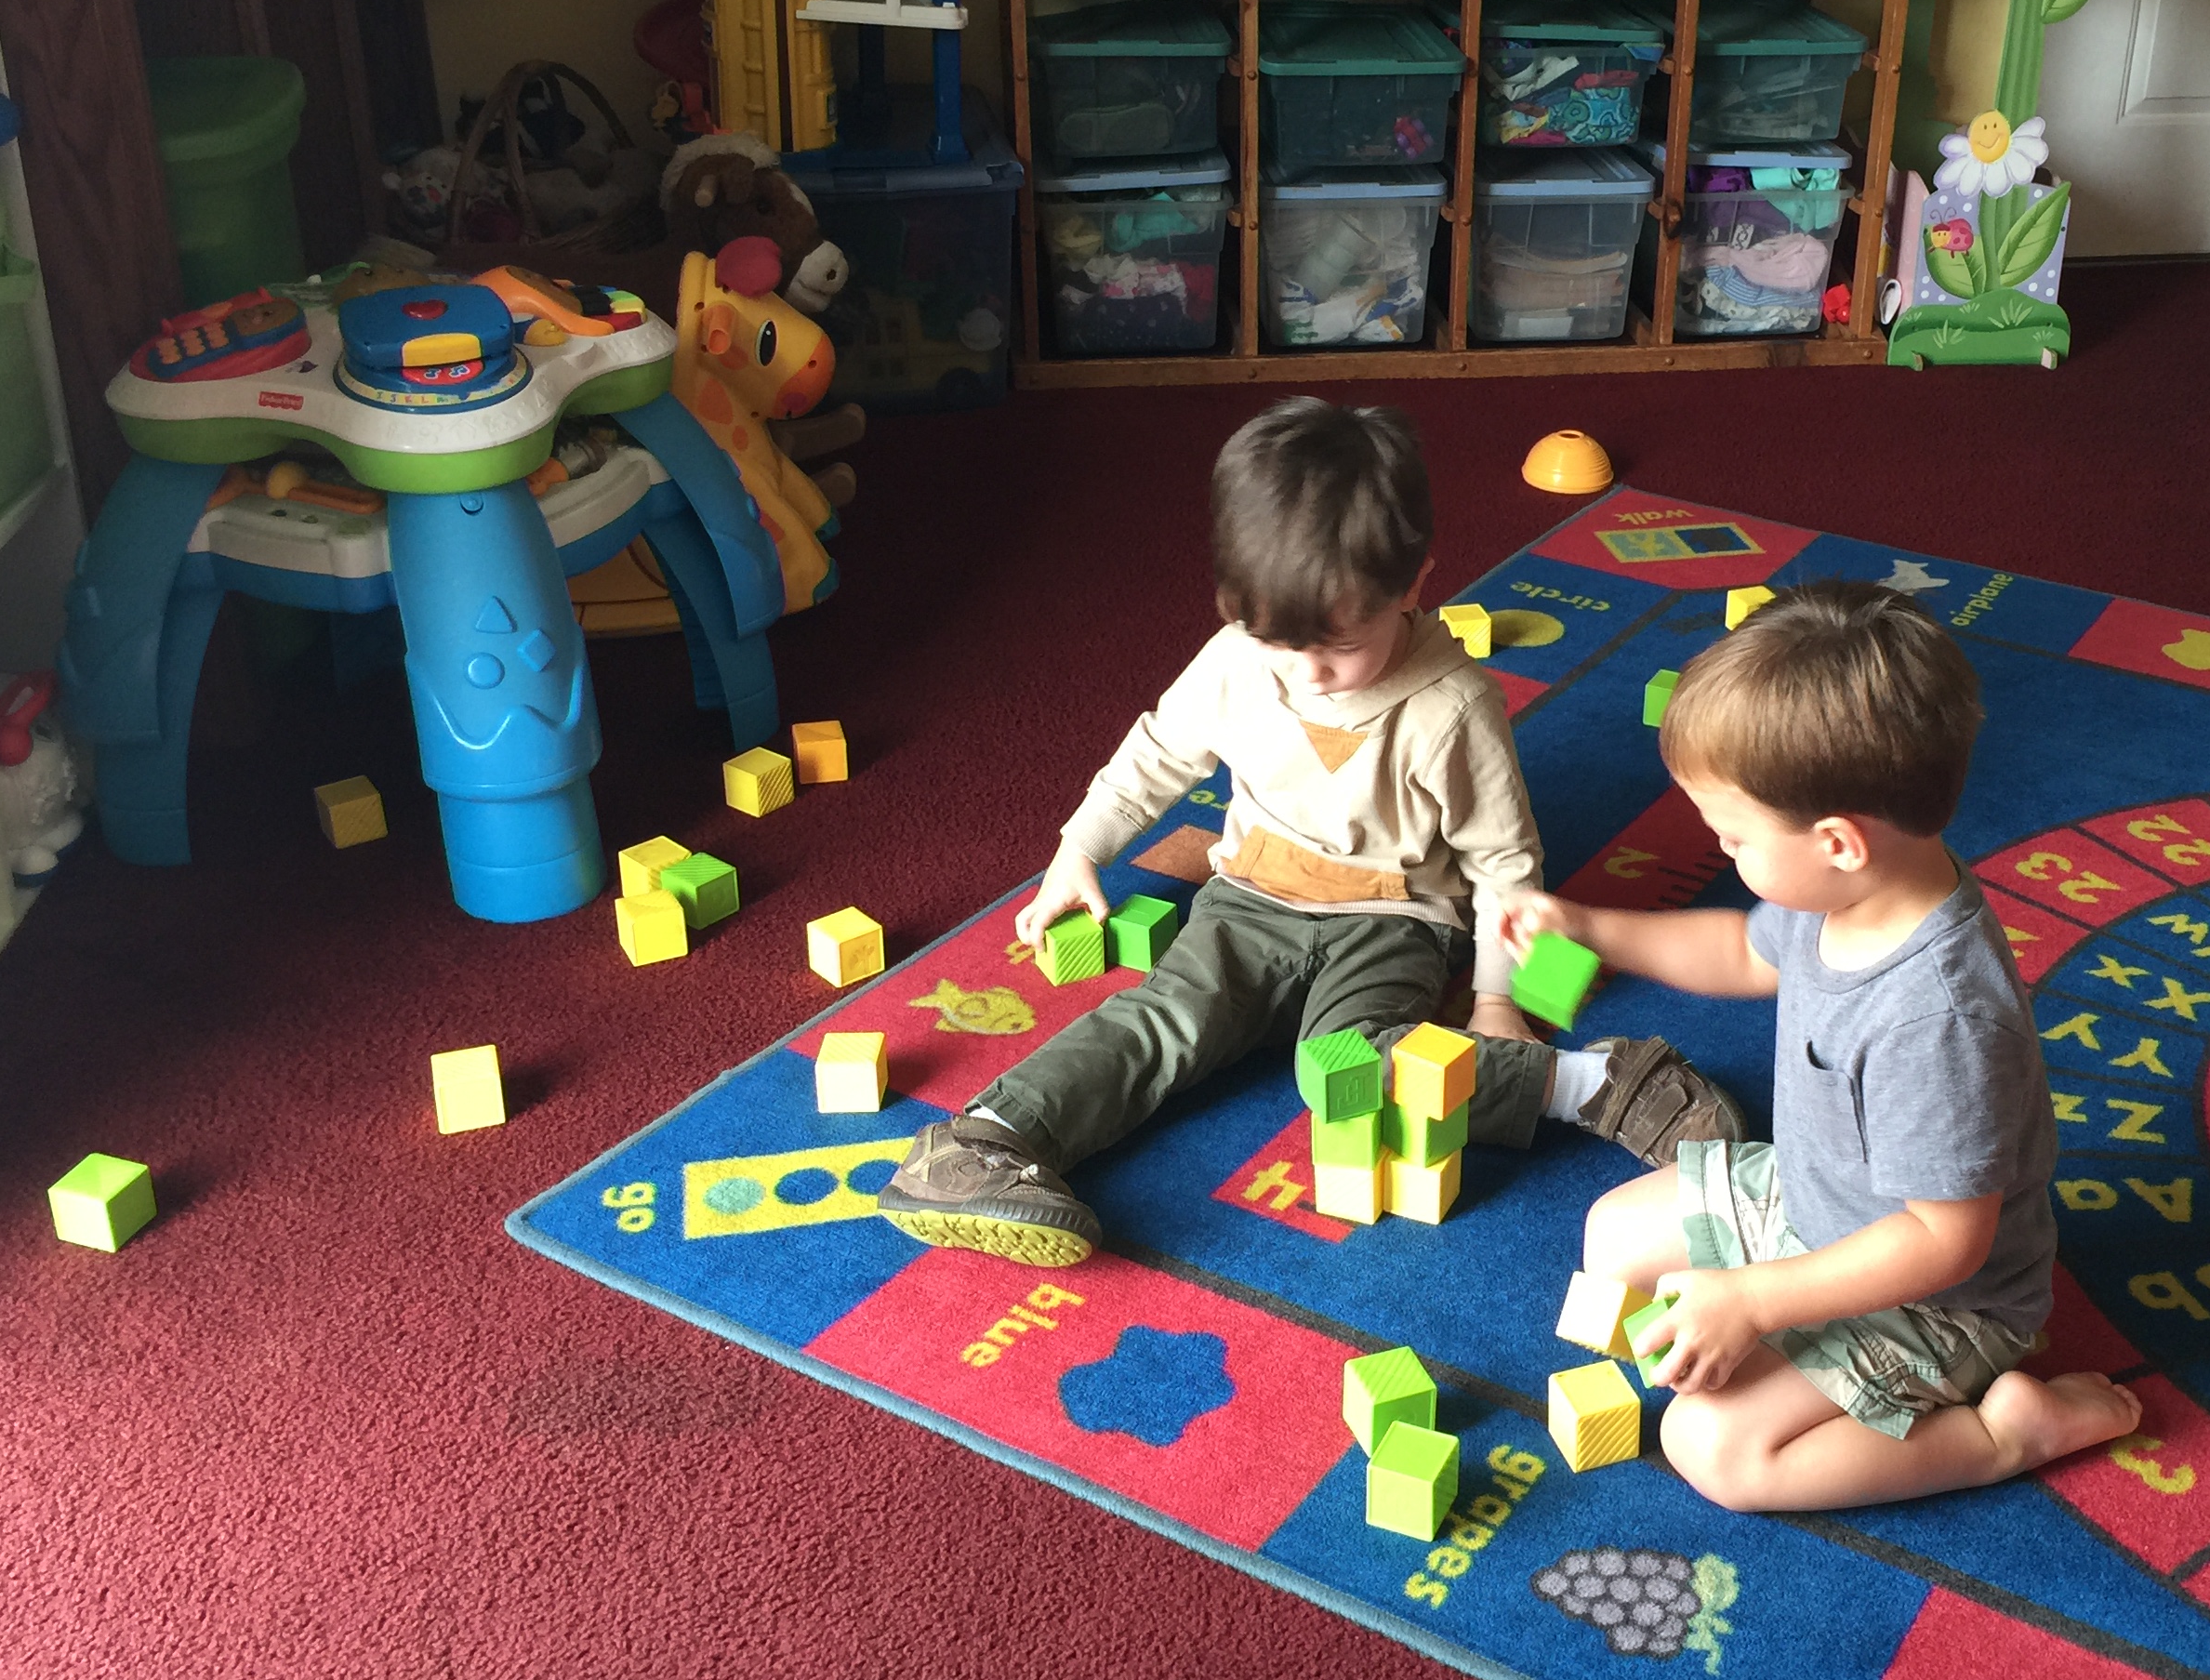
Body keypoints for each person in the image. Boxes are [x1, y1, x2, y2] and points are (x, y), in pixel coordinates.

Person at [879, 398, 1739, 1267]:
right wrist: (1079, 849)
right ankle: (985, 1140)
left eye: (1338, 646)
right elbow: (1159, 752)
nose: (1307, 674)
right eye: (1276, 641)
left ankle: (1600, 1083)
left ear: (1412, 586)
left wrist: (1494, 1001)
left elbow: (1503, 866)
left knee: (1344, 1067)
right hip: (1249, 897)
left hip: (1393, 918)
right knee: (1167, 1016)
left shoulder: (1453, 705)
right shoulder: (1235, 660)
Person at [1502, 583, 2140, 1514]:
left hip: (1935, 1298)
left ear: (1837, 841)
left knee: (1714, 1449)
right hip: (1813, 1196)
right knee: (1613, 1238)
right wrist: (1592, 929)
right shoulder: (1844, 893)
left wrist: (1758, 1301)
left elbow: (1946, 1243)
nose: (1724, 854)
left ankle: (2004, 1437)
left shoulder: (1939, 1022)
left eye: (1732, 837)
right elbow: (1739, 951)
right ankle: (1762, 1328)